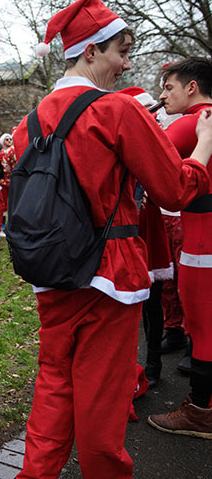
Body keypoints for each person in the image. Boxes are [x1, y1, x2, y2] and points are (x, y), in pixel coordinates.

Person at [14, 0, 212, 476]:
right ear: (89, 53)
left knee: (55, 385)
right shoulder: (117, 112)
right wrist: (203, 148)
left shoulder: (29, 122)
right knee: (103, 400)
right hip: (110, 274)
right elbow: (173, 188)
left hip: (52, 270)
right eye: (121, 51)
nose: (127, 63)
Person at [148, 57, 212, 437]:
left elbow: (146, 160)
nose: (162, 93)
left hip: (203, 243)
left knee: (203, 329)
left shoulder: (194, 122)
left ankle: (200, 413)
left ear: (191, 87)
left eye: (168, 86)